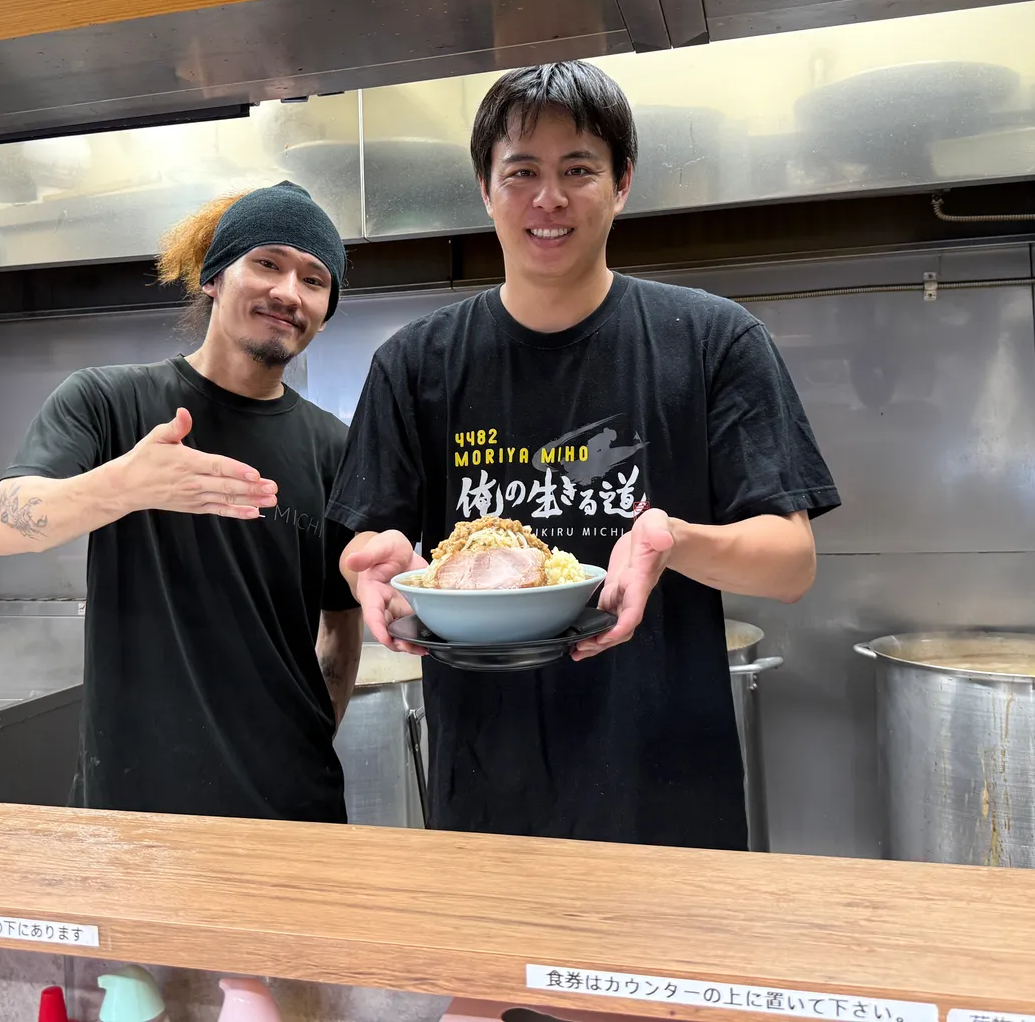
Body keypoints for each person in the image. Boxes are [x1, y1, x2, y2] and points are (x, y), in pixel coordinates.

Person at [328, 63, 840, 850]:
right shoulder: (416, 365)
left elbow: (792, 563)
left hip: (668, 792)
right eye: (522, 172)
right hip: (487, 800)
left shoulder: (711, 341)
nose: (549, 199)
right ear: (485, 188)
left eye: (578, 170)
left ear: (622, 182)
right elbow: (372, 547)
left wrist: (677, 543)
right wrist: (371, 566)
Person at [0, 182, 363, 823]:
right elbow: (1, 523)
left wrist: (311, 738)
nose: (288, 292)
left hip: (294, 810)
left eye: (314, 279)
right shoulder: (107, 403)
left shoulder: (335, 446)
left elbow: (340, 630)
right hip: (134, 811)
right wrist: (127, 485)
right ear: (213, 276)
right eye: (266, 263)